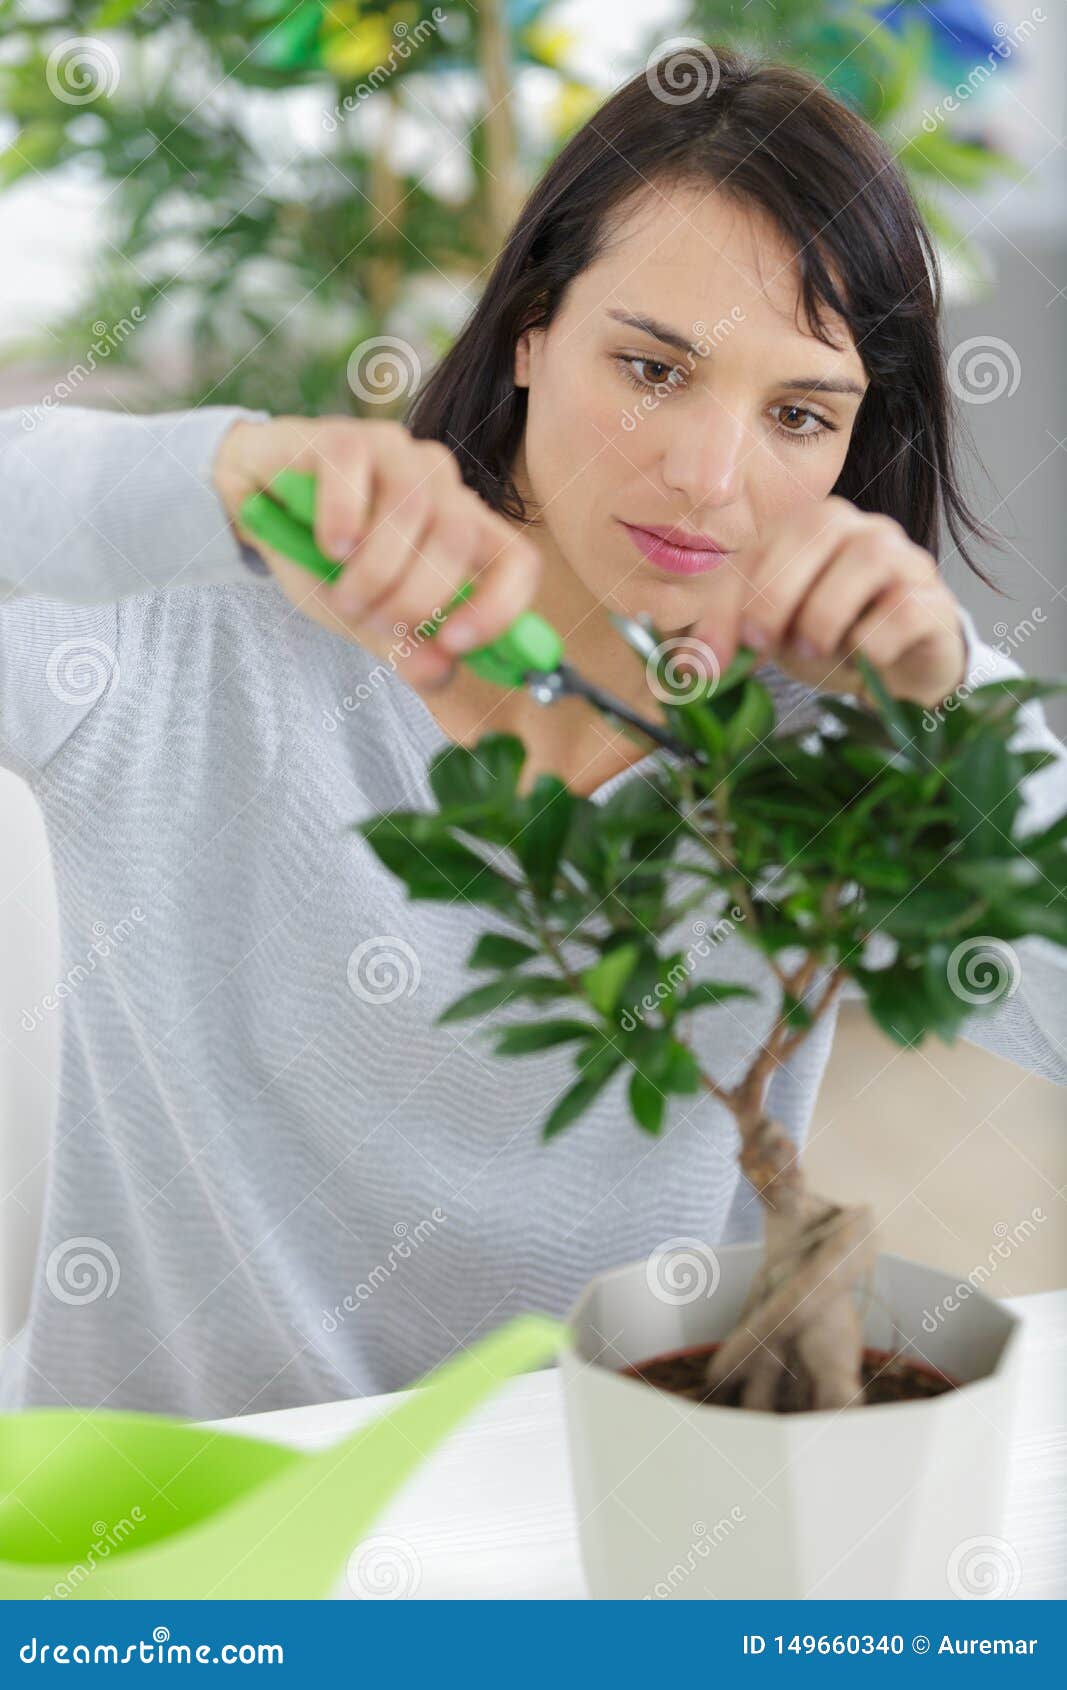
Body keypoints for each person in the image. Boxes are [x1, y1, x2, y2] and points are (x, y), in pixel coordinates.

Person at [1, 48, 1064, 1419]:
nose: (710, 477)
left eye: (799, 414)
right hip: (172, 1519)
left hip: (609, 1503)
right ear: (527, 330)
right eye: (652, 367)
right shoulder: (187, 634)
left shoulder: (837, 744)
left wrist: (955, 718)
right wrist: (207, 473)